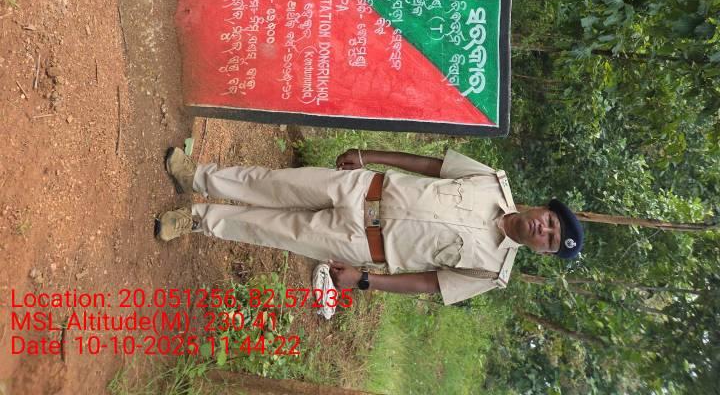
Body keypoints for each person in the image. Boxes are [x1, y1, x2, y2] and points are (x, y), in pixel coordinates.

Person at [155, 145, 584, 304]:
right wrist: (368, 155)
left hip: (363, 243)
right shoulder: (491, 180)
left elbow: (428, 283)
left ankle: (195, 220)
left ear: (542, 251)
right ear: (542, 209)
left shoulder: (491, 272)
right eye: (550, 222)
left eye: (550, 240)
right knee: (272, 184)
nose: (544, 230)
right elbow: (431, 166)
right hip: (362, 189)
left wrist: (364, 281)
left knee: (269, 229)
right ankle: (197, 177)